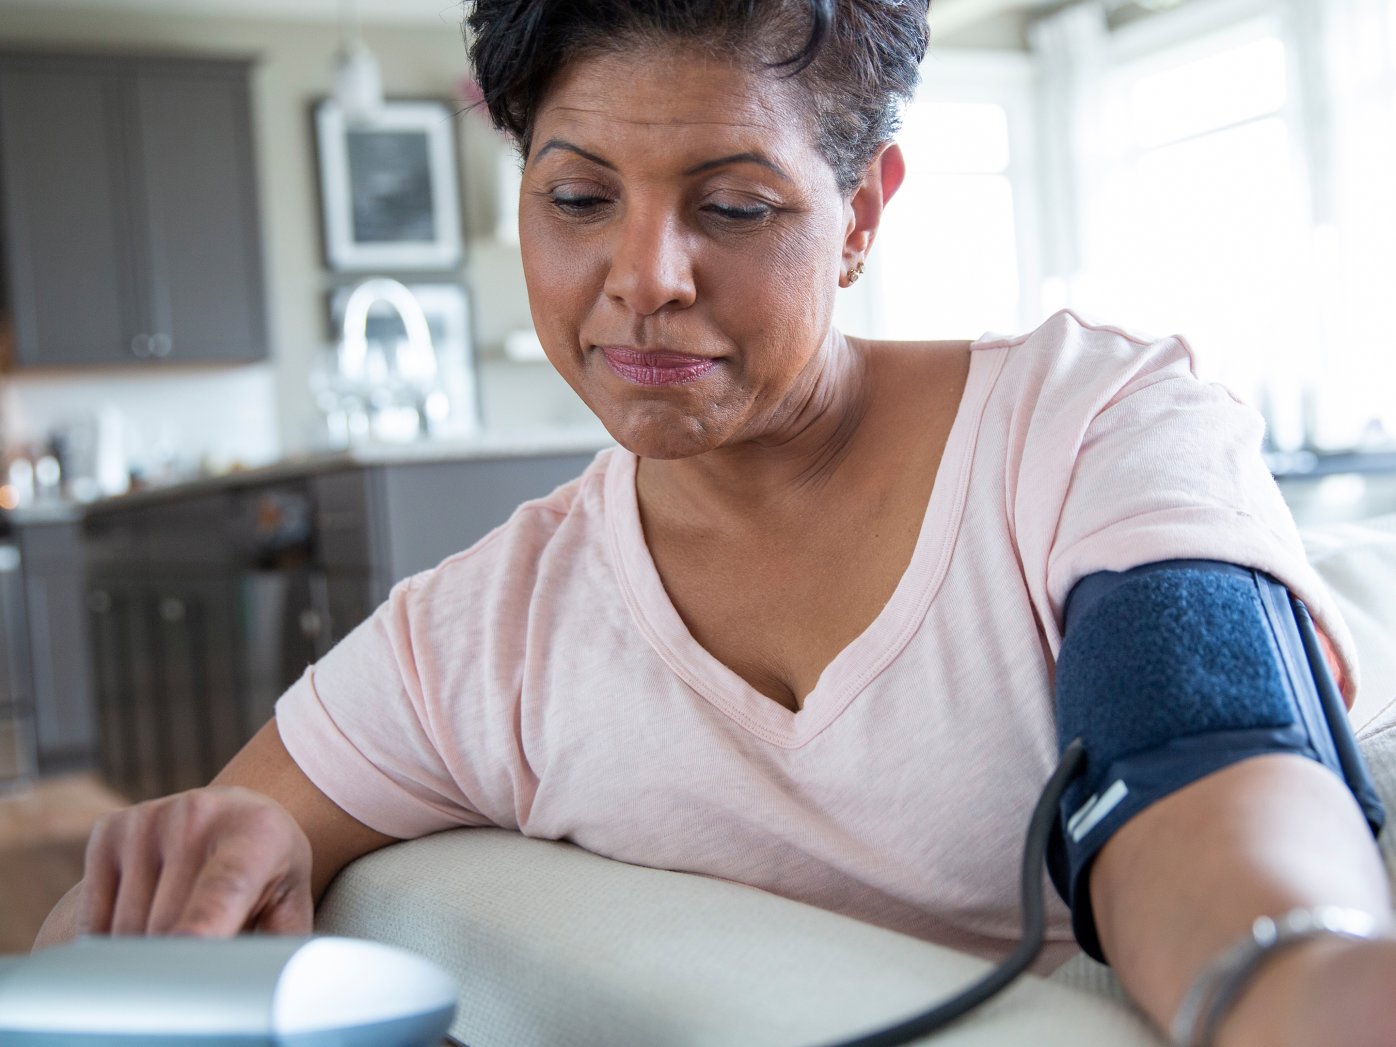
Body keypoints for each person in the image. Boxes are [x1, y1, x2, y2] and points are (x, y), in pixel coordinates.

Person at [37, 1, 1396, 1043]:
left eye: (734, 207)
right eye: (577, 199)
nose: (644, 279)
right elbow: (107, 929)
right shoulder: (480, 639)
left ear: (862, 213)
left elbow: (1204, 764)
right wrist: (207, 871)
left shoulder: (1087, 424)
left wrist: (1290, 982)